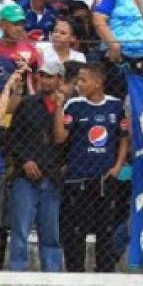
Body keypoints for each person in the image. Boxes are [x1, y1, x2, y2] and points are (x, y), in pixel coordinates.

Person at [53, 63, 127, 273]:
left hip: (106, 180)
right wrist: (59, 106)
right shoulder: (74, 105)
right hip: (78, 180)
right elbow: (60, 137)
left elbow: (123, 138)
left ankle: (104, 274)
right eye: (78, 79)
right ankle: (75, 274)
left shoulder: (115, 106)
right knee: (77, 231)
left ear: (98, 82)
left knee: (105, 230)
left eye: (83, 80)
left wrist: (118, 166)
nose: (79, 84)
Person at [7, 57, 64, 272]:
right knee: (20, 231)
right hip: (25, 177)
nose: (44, 80)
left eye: (50, 76)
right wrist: (25, 161)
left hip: (53, 176)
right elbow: (13, 138)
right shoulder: (27, 104)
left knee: (50, 233)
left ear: (60, 79)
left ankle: (52, 276)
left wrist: (62, 168)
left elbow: (64, 141)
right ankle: (17, 274)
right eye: (42, 75)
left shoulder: (69, 106)